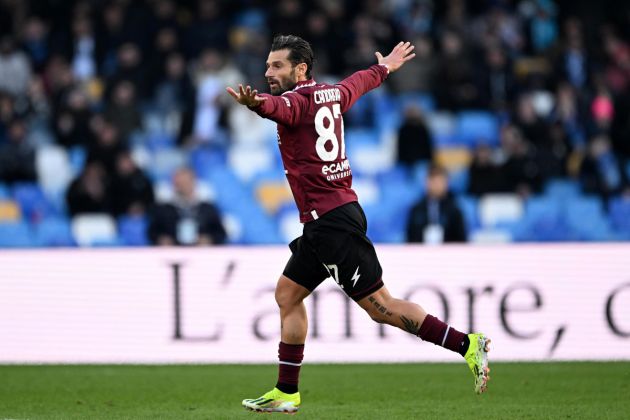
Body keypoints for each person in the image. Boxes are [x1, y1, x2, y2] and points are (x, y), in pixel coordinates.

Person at [227, 35, 490, 414]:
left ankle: (467, 345)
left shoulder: (295, 101)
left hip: (333, 224)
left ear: (301, 69)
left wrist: (256, 105)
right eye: (268, 66)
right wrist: (384, 68)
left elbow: (278, 108)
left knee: (381, 307)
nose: (268, 72)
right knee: (287, 294)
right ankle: (286, 392)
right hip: (327, 222)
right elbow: (360, 82)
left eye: (277, 66)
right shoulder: (332, 94)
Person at [147, 167, 226, 246]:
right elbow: (152, 232)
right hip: (173, 253)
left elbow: (221, 233)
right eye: (179, 183)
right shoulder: (164, 209)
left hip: (201, 253)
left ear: (193, 182)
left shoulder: (207, 208)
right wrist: (162, 239)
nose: (183, 186)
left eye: (185, 182)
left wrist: (209, 239)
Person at [407, 164, 467, 243]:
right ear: (427, 183)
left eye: (440, 181)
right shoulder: (416, 209)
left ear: (446, 183)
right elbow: (410, 238)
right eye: (433, 181)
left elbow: (461, 240)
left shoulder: (455, 210)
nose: (436, 185)